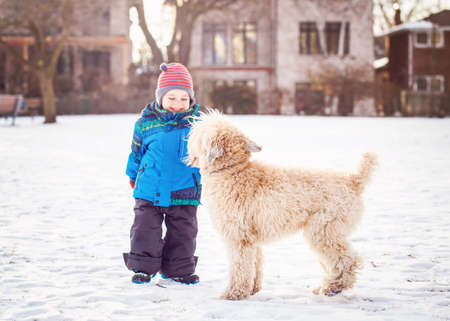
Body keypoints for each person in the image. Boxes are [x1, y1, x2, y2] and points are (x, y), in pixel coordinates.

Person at [123, 63, 202, 285]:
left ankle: (178, 269)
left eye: (183, 99)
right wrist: (132, 176)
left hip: (185, 189)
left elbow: (209, 153)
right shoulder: (145, 124)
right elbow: (136, 153)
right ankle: (143, 268)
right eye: (171, 98)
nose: (177, 104)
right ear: (160, 98)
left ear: (191, 100)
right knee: (144, 230)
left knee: (183, 233)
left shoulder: (198, 125)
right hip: (149, 188)